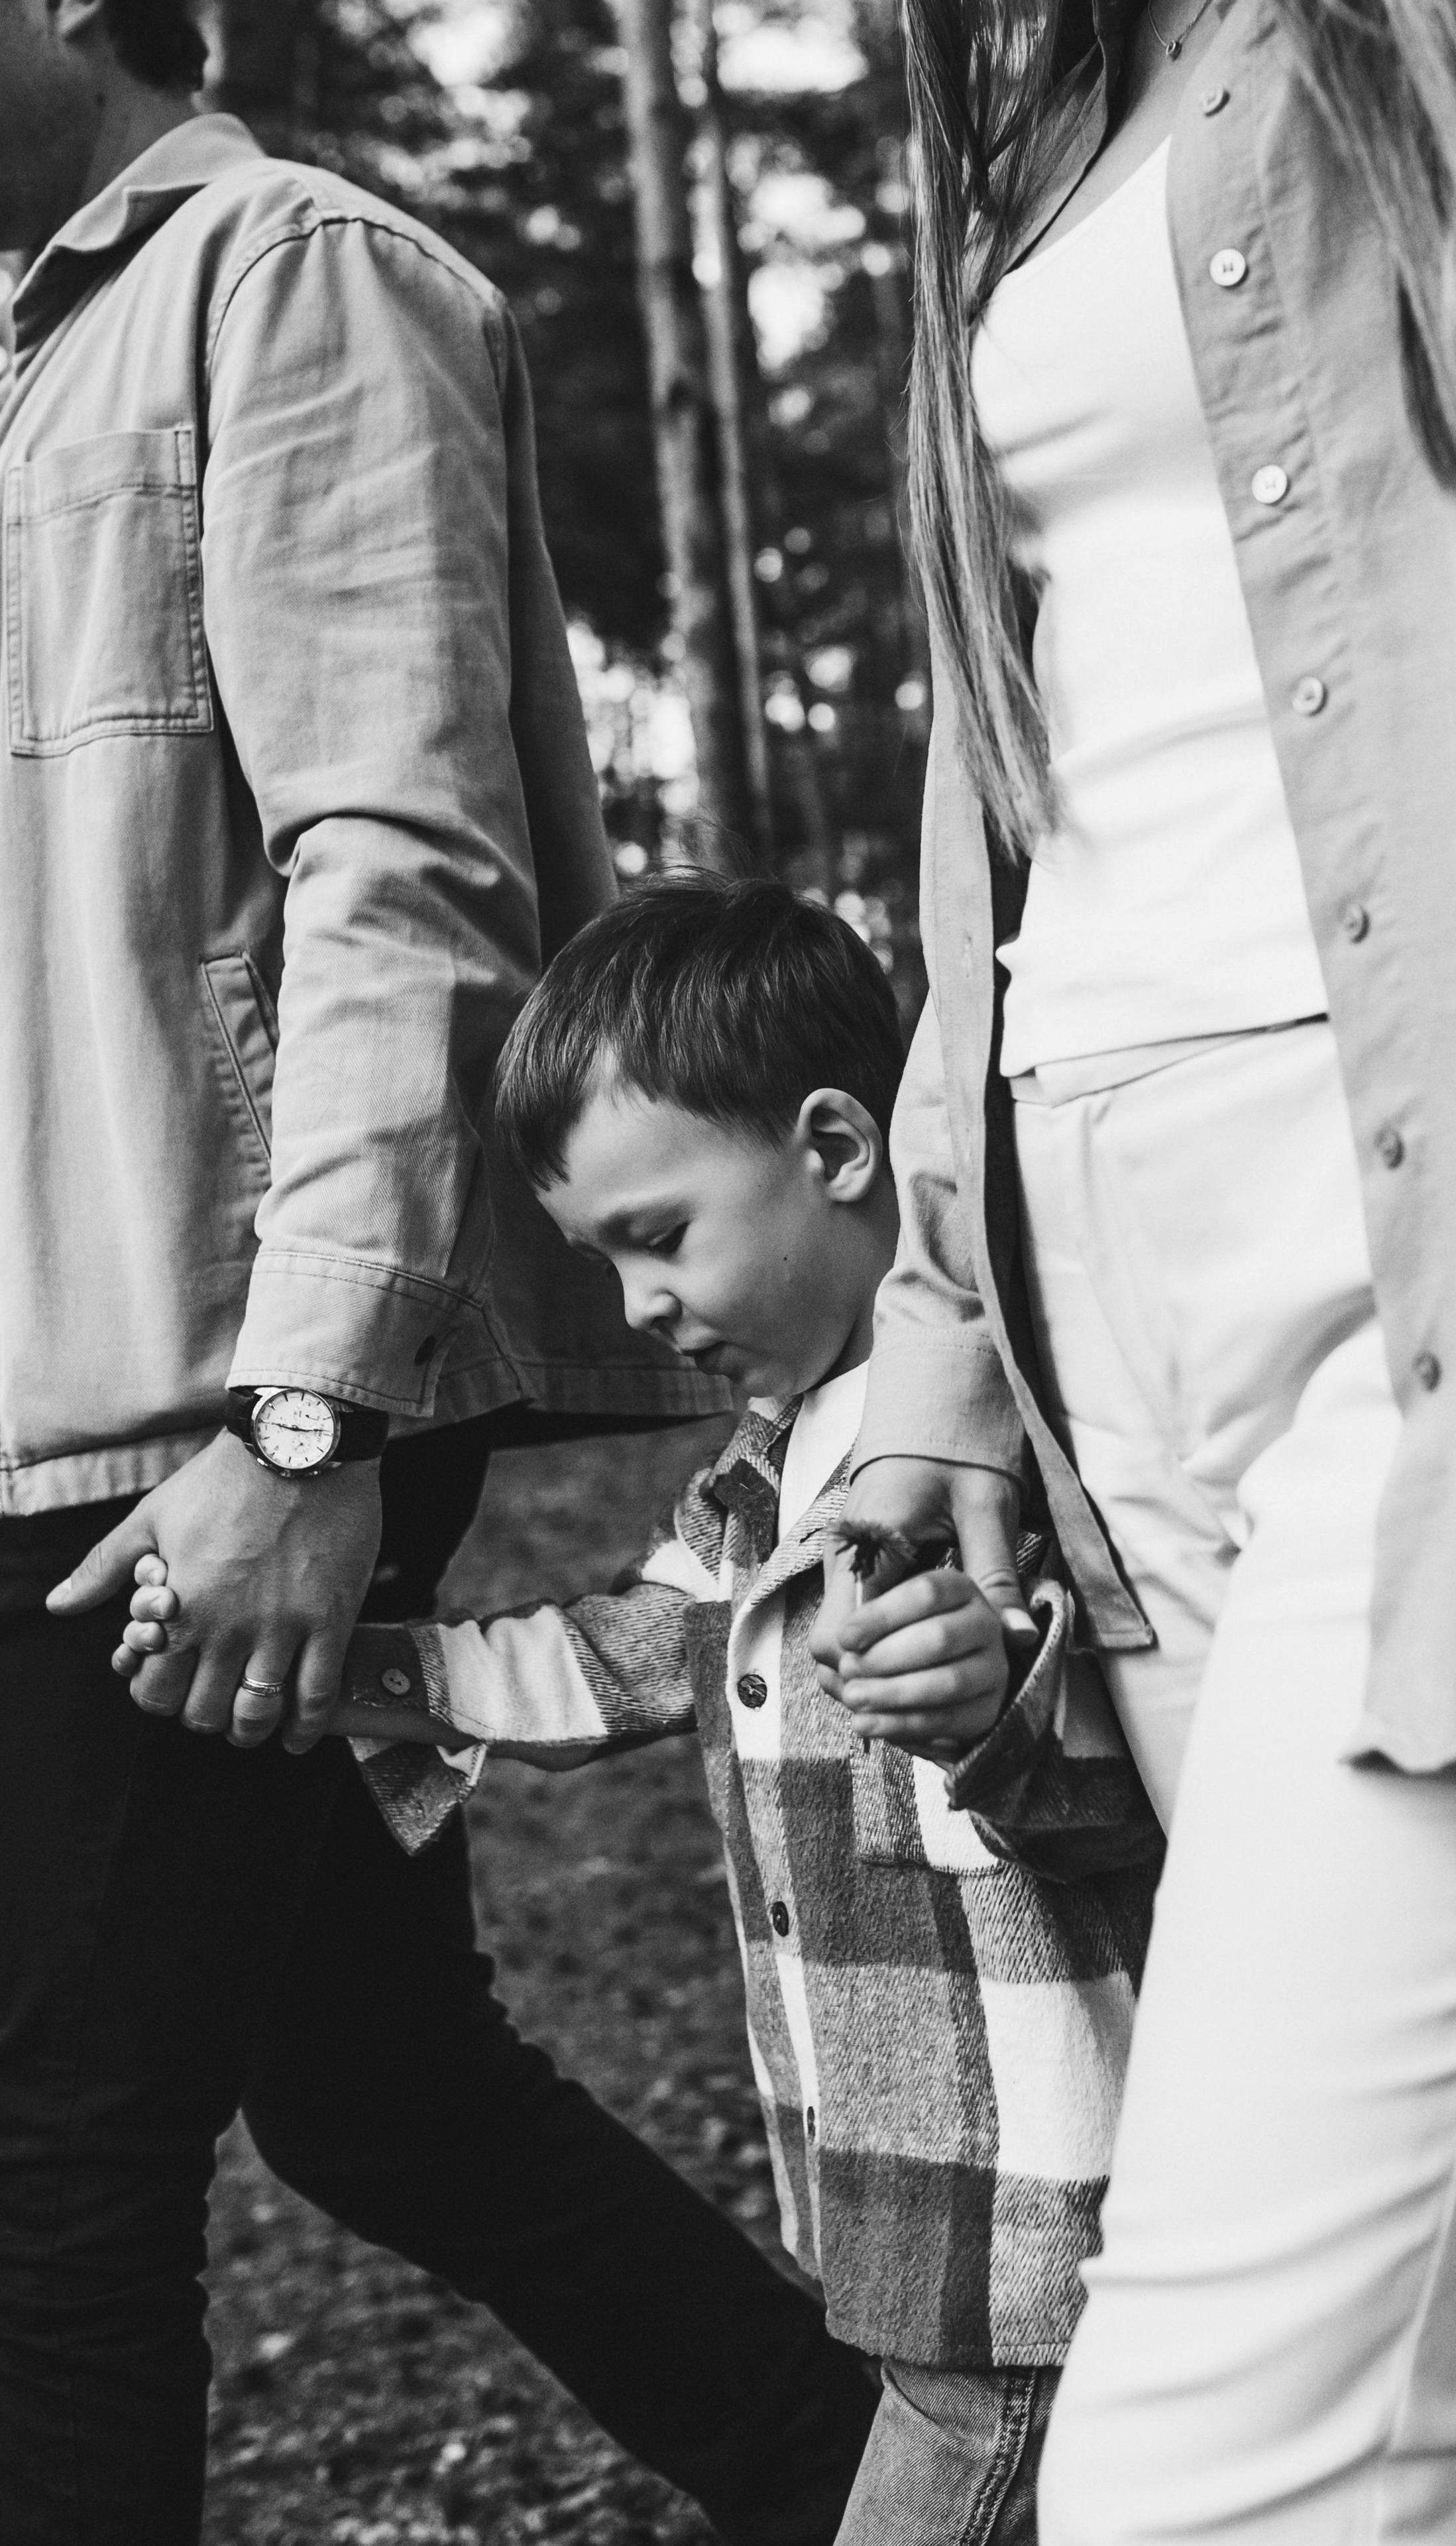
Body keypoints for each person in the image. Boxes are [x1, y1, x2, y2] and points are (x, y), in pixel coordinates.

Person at [811, 1, 1456, 2539]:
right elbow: (1013, 764)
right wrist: (946, 1339)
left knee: (1216, 2465)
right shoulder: (1052, 115)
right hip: (1110, 1316)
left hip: (1433, 1271)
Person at [0, 7, 876, 2542]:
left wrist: (309, 1435)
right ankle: (883, 2488)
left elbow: (404, 875)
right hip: (75, 1371)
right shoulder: (27, 352)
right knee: (378, 2089)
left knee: (56, 2151)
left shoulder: (292, 278)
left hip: (206, 1404)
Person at [124, 875, 1167, 2546]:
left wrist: (991, 1697)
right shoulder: (761, 1486)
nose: (638, 1313)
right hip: (913, 2220)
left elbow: (1141, 1776)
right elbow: (616, 1653)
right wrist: (348, 1671)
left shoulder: (1008, 1446)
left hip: (1041, 2238)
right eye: (600, 1263)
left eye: (657, 1235)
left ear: (836, 1147)